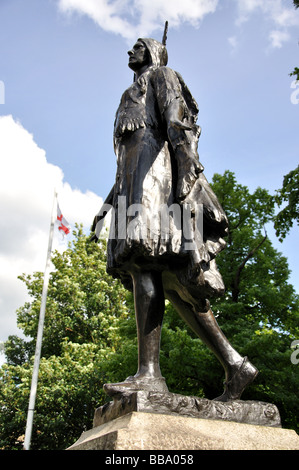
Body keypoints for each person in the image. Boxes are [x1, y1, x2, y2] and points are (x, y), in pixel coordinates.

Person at [92, 34, 258, 401]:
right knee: (171, 280)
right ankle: (235, 364)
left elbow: (174, 121)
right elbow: (123, 164)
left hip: (157, 183)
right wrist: (107, 208)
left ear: (152, 51)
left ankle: (149, 375)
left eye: (138, 45)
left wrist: (187, 162)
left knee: (146, 264)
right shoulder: (129, 93)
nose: (130, 51)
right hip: (133, 187)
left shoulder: (163, 74)